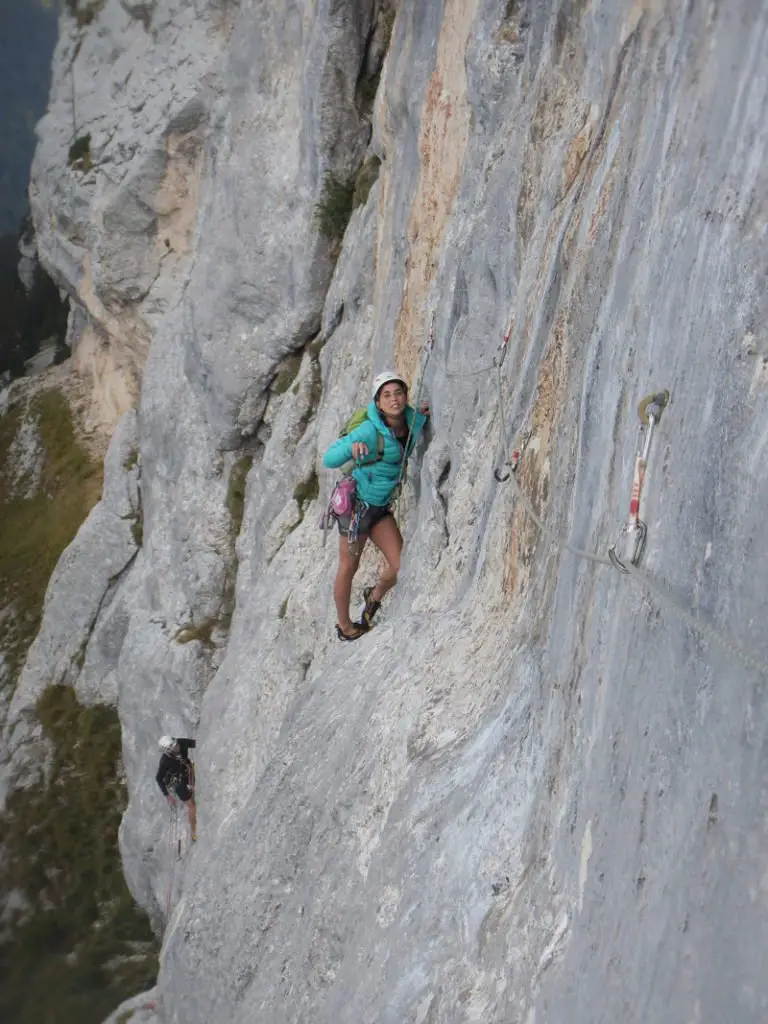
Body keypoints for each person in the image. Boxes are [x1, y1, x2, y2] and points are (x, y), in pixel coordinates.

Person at [322, 370, 430, 641]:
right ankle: (345, 627)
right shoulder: (369, 431)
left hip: (380, 510)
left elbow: (417, 423)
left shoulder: (411, 421)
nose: (394, 399)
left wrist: (425, 415)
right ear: (378, 403)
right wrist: (352, 446)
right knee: (348, 568)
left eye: (398, 393)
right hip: (356, 510)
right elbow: (329, 458)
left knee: (399, 565)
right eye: (387, 395)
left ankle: (374, 596)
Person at [156, 736, 197, 840]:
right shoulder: (165, 761)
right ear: (168, 750)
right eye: (174, 747)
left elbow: (198, 743)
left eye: (176, 744)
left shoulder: (182, 742)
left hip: (187, 770)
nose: (177, 747)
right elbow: (158, 778)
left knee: (194, 791)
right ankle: (193, 832)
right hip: (177, 781)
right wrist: (168, 796)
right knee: (192, 805)